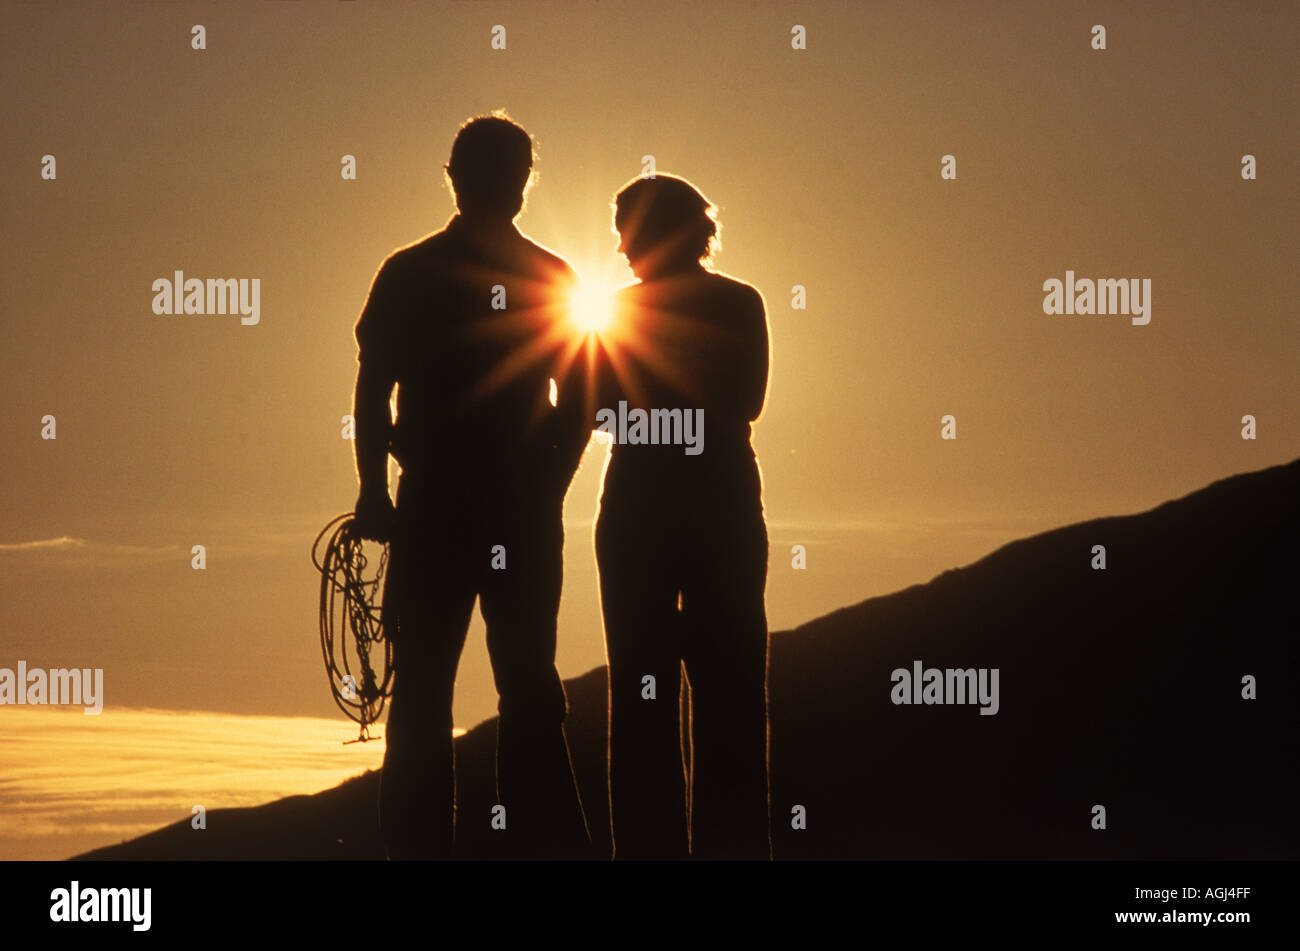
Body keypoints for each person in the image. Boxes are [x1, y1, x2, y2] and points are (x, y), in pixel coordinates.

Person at [350, 114, 591, 860]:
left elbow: (371, 390)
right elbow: (578, 402)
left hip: (437, 505)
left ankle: (421, 849)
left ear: (455, 177)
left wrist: (373, 492)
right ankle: (544, 845)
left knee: (424, 694)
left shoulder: (410, 271)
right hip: (511, 510)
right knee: (524, 684)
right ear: (521, 184)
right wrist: (546, 483)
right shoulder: (552, 277)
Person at [585, 174, 772, 859]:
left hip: (644, 505)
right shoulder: (738, 304)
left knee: (642, 702)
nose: (622, 247)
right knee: (731, 699)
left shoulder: (615, 314)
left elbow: (600, 409)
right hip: (716, 501)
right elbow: (741, 401)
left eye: (627, 233)